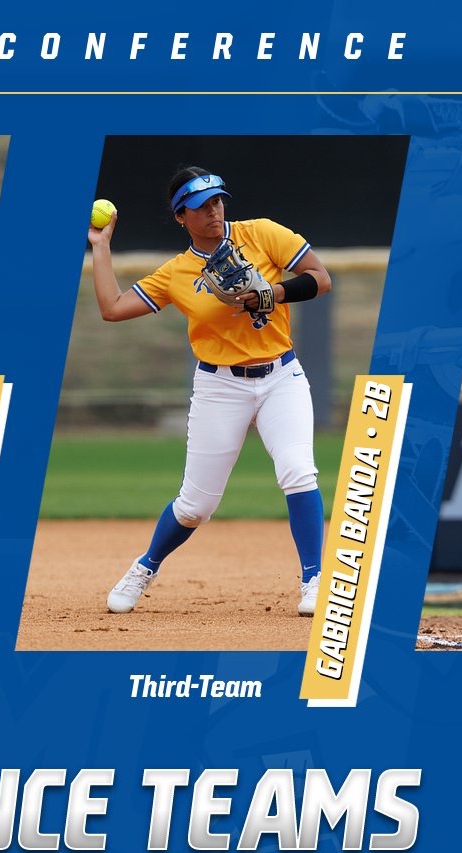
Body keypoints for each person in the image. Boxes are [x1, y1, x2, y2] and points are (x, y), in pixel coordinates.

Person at [87, 167, 332, 616]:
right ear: (180, 216)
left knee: (299, 470)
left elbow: (321, 278)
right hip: (219, 386)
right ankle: (146, 565)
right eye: (200, 206)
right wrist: (101, 247)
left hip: (281, 376)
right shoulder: (177, 273)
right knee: (196, 505)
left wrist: (273, 293)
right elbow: (112, 308)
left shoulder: (261, 234)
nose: (213, 211)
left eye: (217, 201)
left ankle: (314, 579)